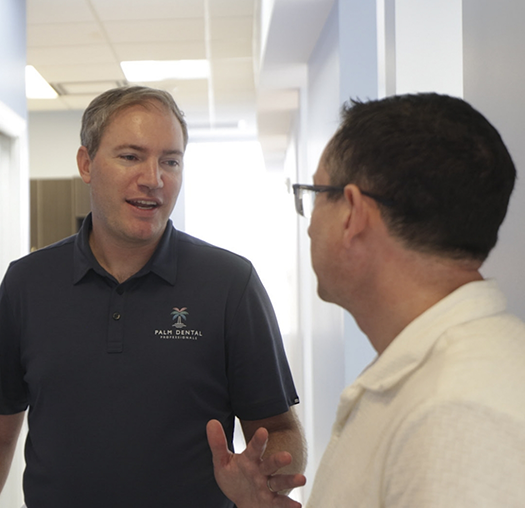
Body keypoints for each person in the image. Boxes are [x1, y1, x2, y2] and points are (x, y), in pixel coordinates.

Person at [0, 86, 306, 508]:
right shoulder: (25, 285)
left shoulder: (230, 284)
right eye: (130, 156)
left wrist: (269, 477)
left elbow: (279, 428)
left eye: (171, 161)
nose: (154, 178)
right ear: (86, 163)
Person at [291, 93, 525, 507]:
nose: (309, 227)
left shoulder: (457, 414)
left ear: (351, 213)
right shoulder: (442, 369)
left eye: (315, 193)